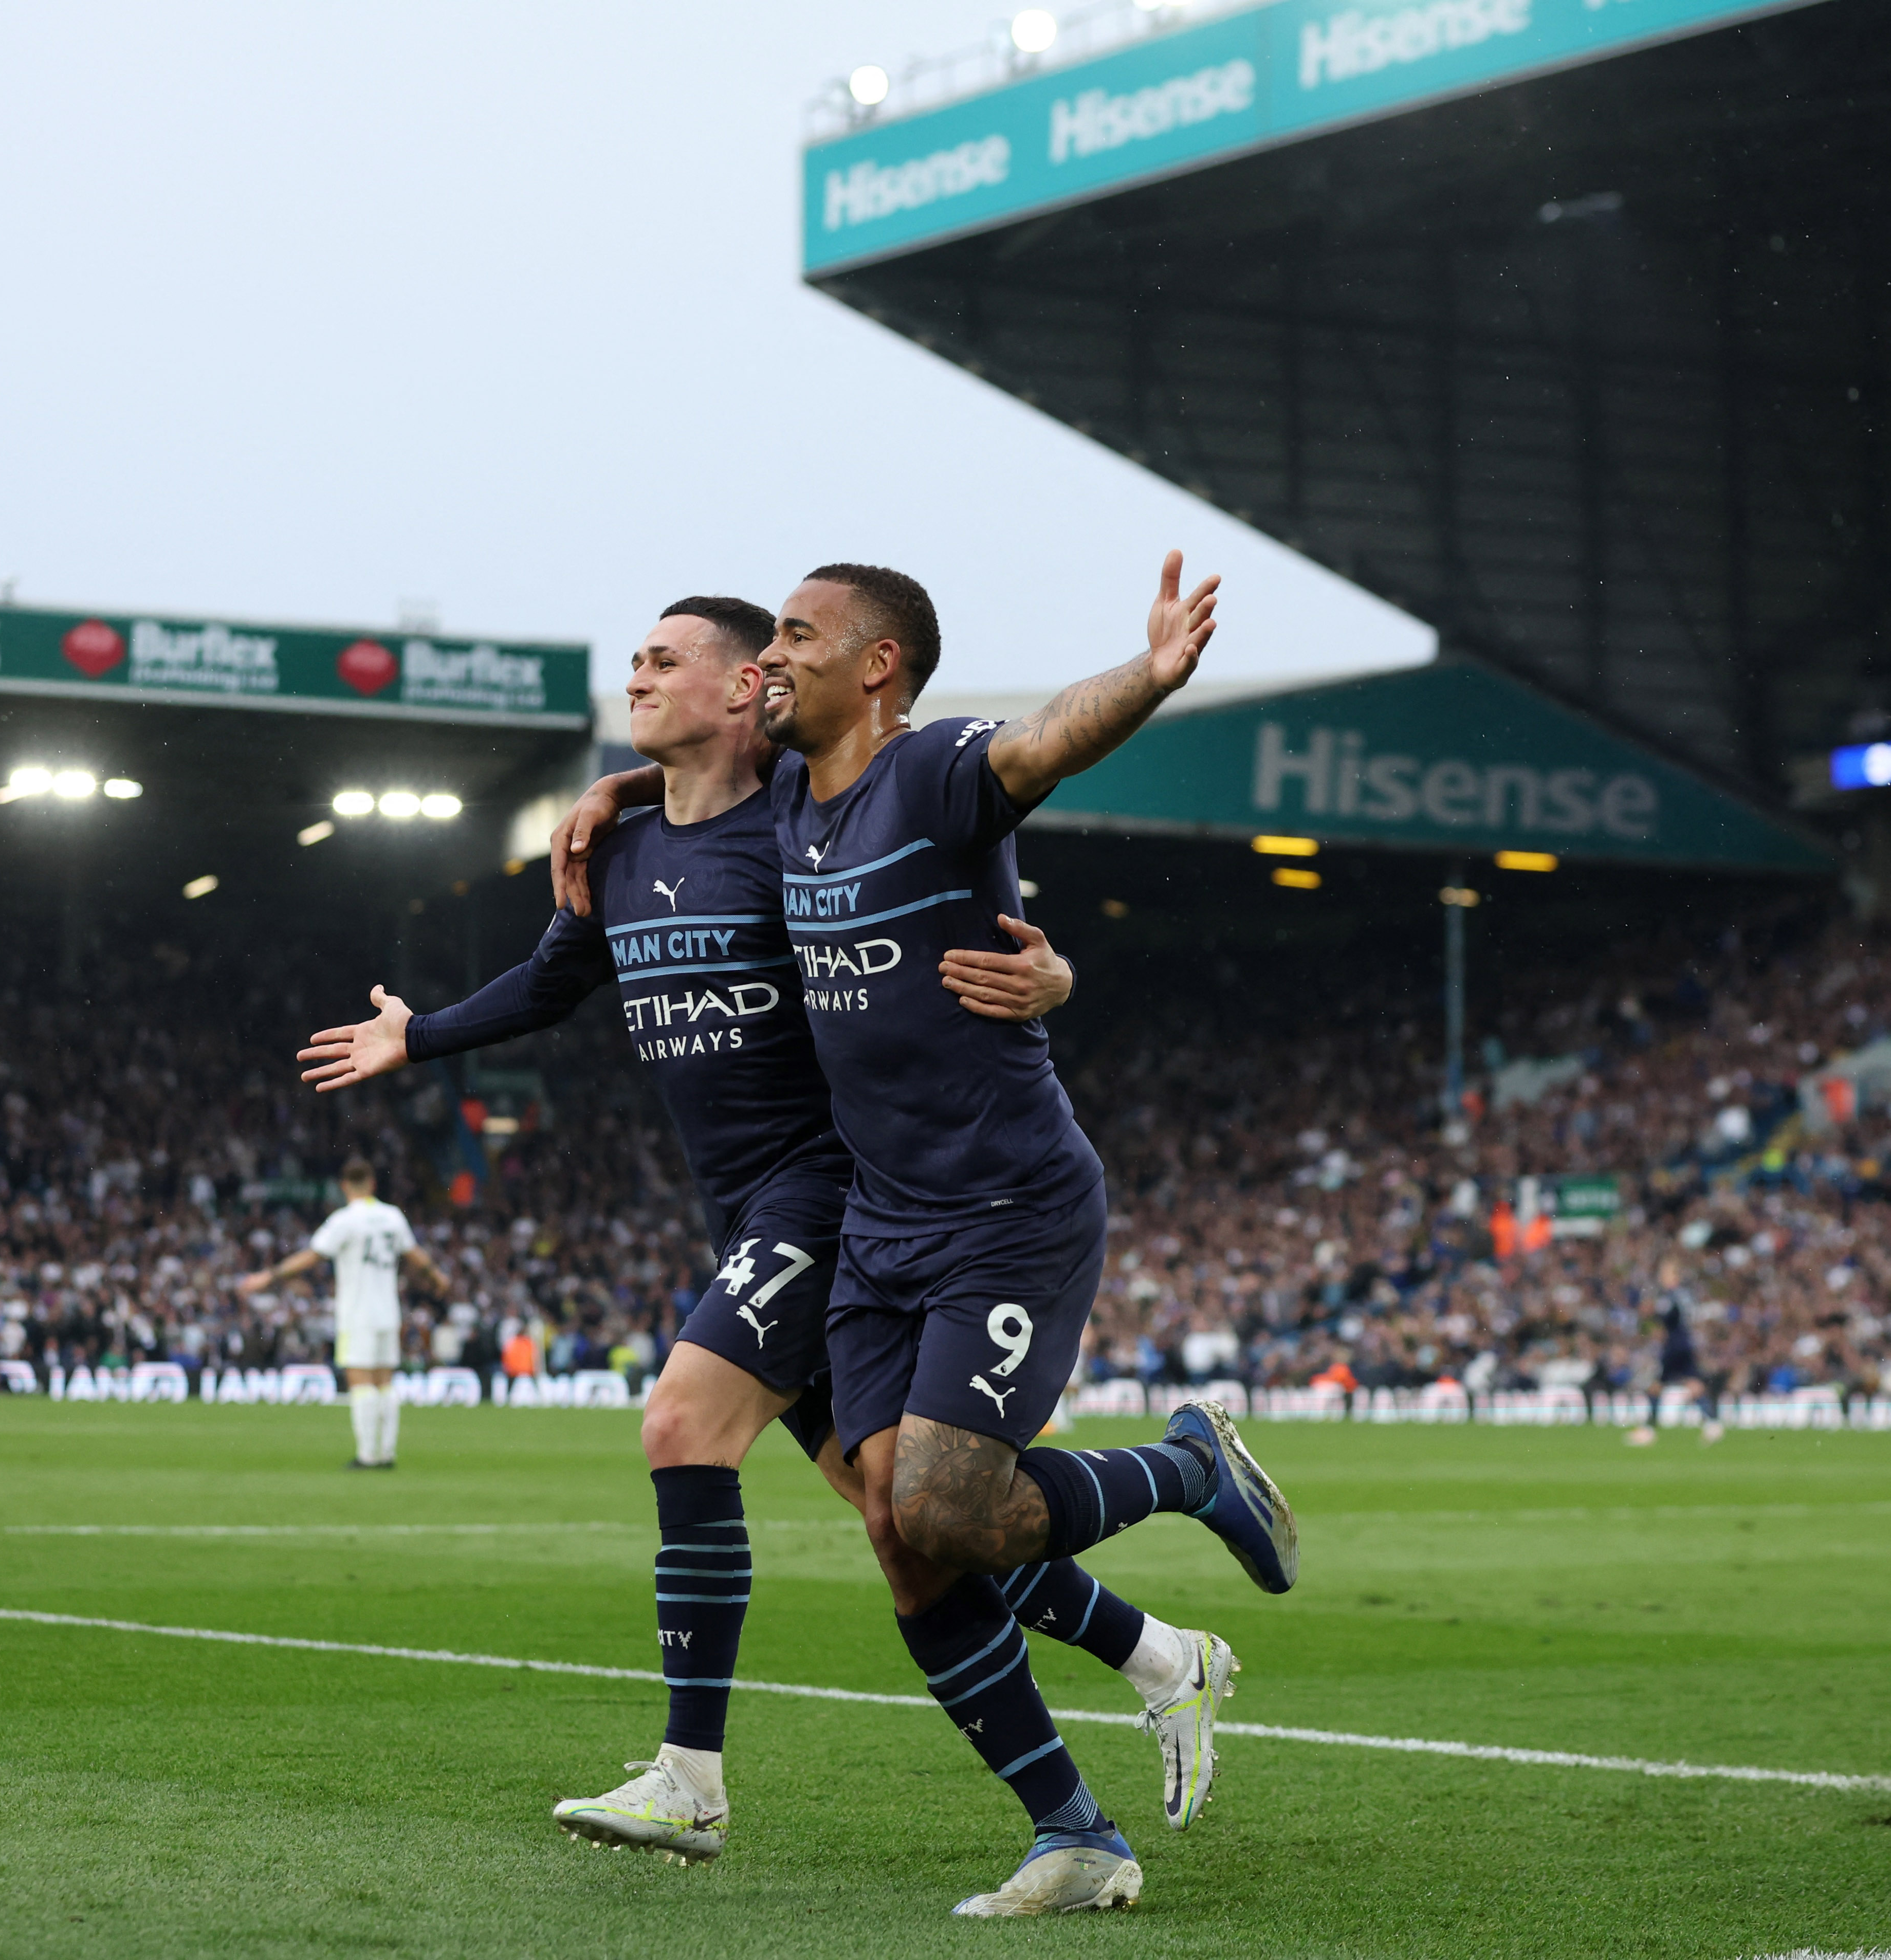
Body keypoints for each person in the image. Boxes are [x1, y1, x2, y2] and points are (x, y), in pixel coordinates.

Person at [306, 598, 1235, 1867]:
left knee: (680, 1422)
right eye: (632, 657)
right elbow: (553, 982)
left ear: (746, 686)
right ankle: (1146, 1675)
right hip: (744, 1213)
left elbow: (951, 858)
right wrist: (418, 1033)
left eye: (664, 659)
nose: (634, 672)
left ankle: (689, 1775)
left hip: (830, 1192)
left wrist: (1053, 974)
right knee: (905, 1520)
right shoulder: (623, 836)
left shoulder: (802, 816)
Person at [553, 556, 1296, 1916]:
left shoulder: (935, 773)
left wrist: (1147, 675)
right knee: (914, 1535)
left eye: (793, 637)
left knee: (937, 1504)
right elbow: (702, 785)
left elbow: (1039, 744)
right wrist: (612, 794)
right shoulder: (782, 806)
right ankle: (1081, 1819)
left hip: (1003, 1206)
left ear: (875, 665)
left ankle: (1187, 1467)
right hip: (878, 1222)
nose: (767, 659)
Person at [237, 1158, 446, 1469]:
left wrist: (268, 1276)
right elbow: (413, 1252)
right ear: (373, 1184)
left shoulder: (345, 1220)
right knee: (385, 1382)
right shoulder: (392, 1217)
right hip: (389, 1311)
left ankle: (368, 1455)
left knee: (360, 1381)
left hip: (358, 1312)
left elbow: (312, 1255)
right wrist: (438, 1276)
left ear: (345, 1186)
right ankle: (387, 1453)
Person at [1625, 1260, 1723, 1446]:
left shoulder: (1672, 1295)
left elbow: (1665, 1313)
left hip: (1675, 1345)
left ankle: (1648, 1430)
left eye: (1666, 1273)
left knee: (1656, 1386)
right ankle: (1713, 1424)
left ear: (1674, 1276)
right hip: (1685, 1343)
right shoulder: (1684, 1295)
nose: (1663, 1277)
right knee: (1693, 1384)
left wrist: (1650, 1311)